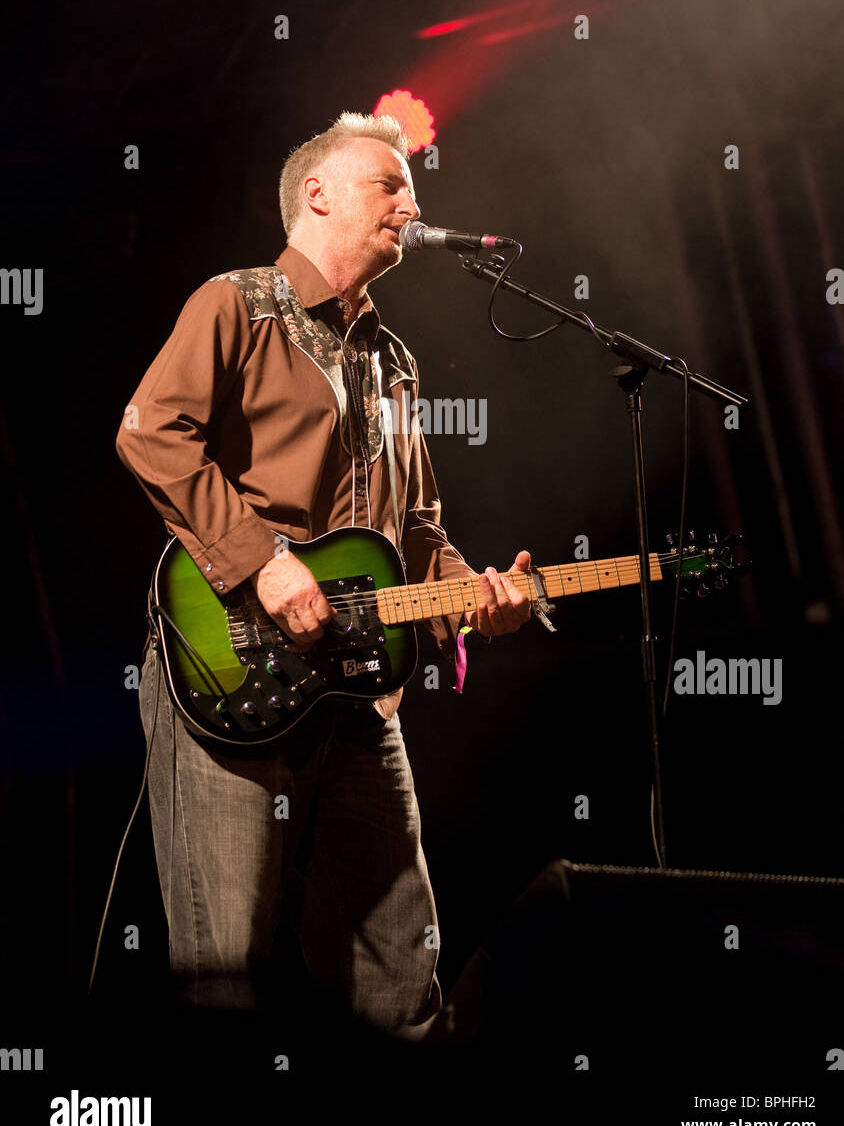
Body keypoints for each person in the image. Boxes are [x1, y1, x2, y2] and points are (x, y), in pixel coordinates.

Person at [115, 111, 533, 1038]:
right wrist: (262, 563)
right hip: (229, 672)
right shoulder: (235, 303)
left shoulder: (397, 364)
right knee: (226, 975)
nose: (413, 204)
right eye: (392, 185)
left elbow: (417, 528)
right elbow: (149, 433)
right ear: (319, 193)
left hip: (359, 700)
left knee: (400, 980)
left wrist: (474, 595)